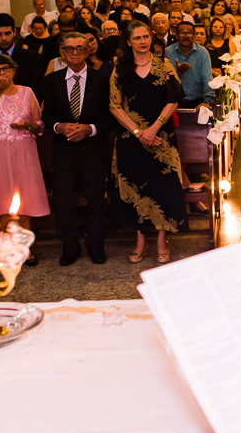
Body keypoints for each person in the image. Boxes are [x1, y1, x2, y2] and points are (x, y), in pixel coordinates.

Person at [109, 21, 187, 264]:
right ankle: (140, 239)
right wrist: (137, 131)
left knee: (162, 187)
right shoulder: (119, 67)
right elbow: (114, 105)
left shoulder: (164, 65)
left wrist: (153, 130)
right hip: (129, 140)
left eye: (145, 37)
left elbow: (173, 100)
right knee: (135, 187)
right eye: (137, 38)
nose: (142, 42)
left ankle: (163, 239)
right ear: (128, 41)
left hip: (161, 138)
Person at [43, 32, 110, 266]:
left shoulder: (101, 79)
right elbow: (47, 114)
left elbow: (108, 116)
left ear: (87, 51)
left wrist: (90, 129)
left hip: (93, 149)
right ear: (61, 52)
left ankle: (95, 246)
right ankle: (69, 246)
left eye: (79, 48)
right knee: (63, 201)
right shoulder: (52, 80)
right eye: (69, 49)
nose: (74, 53)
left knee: (95, 200)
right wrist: (58, 126)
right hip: (64, 150)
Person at [0, 54, 48, 262]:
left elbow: (38, 123)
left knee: (25, 197)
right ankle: (5, 246)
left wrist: (27, 125)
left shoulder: (27, 93)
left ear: (14, 71)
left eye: (6, 69)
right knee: (1, 197)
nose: (2, 74)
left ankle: (24, 248)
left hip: (23, 150)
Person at [166, 19, 215, 108]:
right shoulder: (168, 52)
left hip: (197, 103)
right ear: (176, 35)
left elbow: (207, 79)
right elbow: (163, 81)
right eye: (182, 33)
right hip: (172, 104)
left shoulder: (203, 53)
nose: (186, 36)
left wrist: (208, 101)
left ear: (194, 35)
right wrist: (178, 72)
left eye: (189, 33)